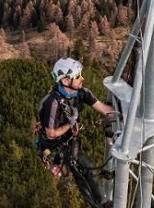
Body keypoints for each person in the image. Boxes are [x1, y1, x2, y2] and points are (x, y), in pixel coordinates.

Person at [37, 57, 116, 208]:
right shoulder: (52, 103)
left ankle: (100, 202)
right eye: (77, 76)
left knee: (82, 171)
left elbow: (104, 109)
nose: (82, 78)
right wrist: (70, 125)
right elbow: (51, 134)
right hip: (56, 145)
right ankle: (102, 204)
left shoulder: (81, 92)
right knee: (86, 170)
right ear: (65, 81)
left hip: (71, 139)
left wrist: (127, 114)